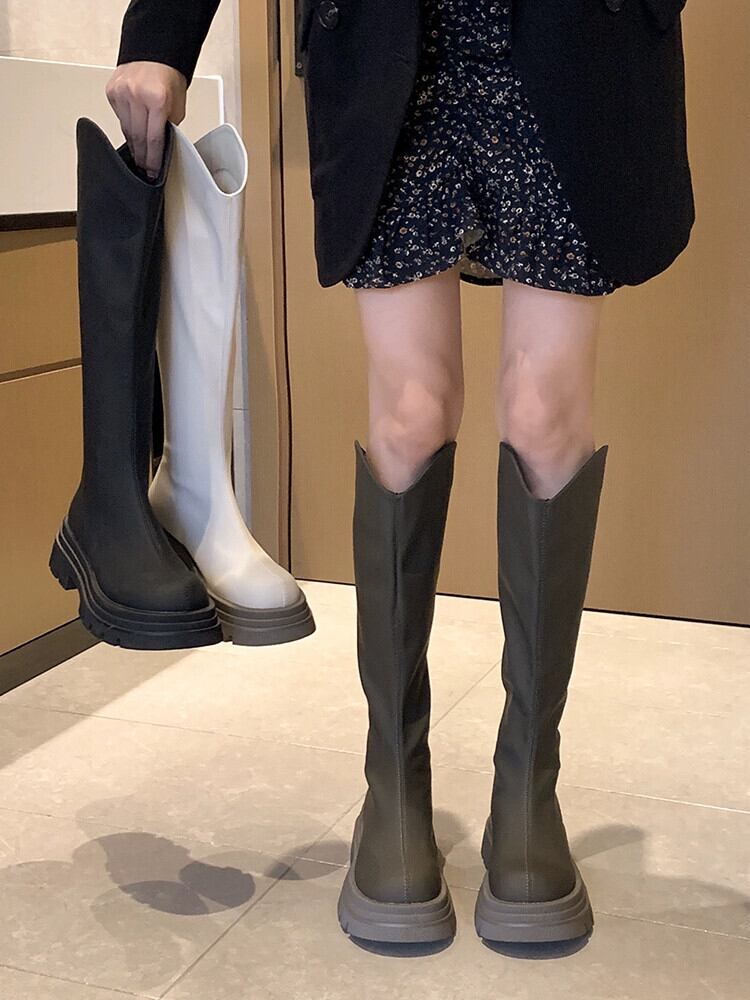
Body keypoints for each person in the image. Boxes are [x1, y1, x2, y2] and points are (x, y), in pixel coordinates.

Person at [108, 0, 694, 946]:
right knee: (410, 417)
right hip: (394, 48)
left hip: (578, 42)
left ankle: (527, 796)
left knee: (545, 416)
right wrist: (161, 38)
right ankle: (393, 790)